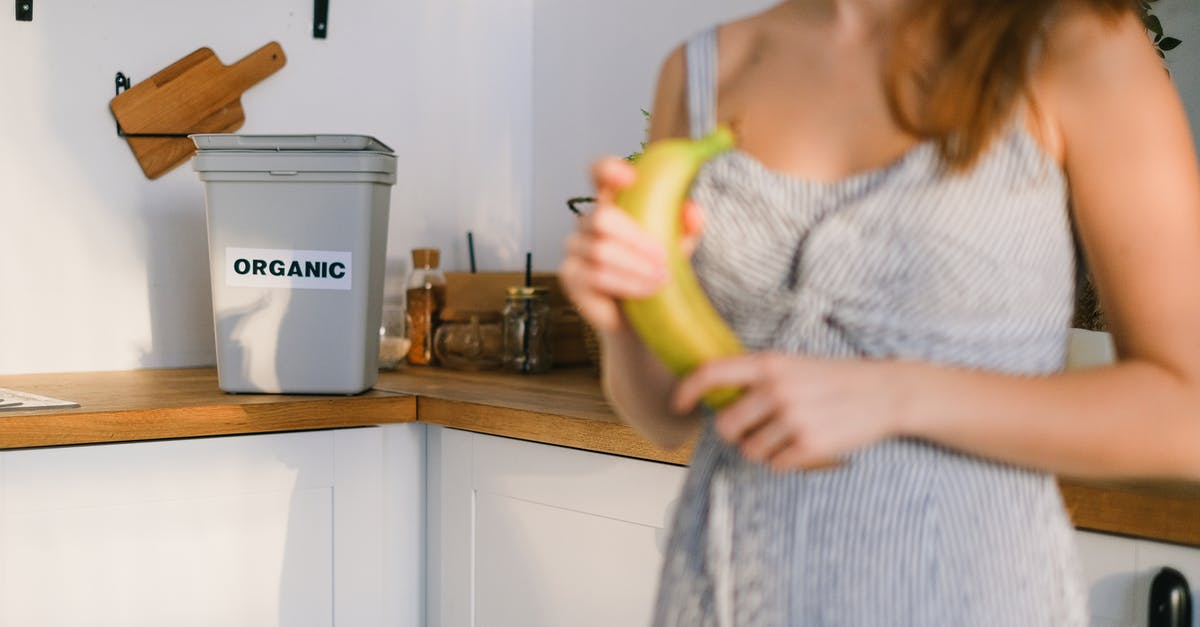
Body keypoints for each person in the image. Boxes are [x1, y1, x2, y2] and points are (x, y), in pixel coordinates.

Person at [558, 0, 1200, 625]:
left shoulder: (1075, 42)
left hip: (975, 598)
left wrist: (900, 395)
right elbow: (668, 417)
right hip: (724, 593)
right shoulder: (704, 69)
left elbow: (1186, 417)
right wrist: (619, 316)